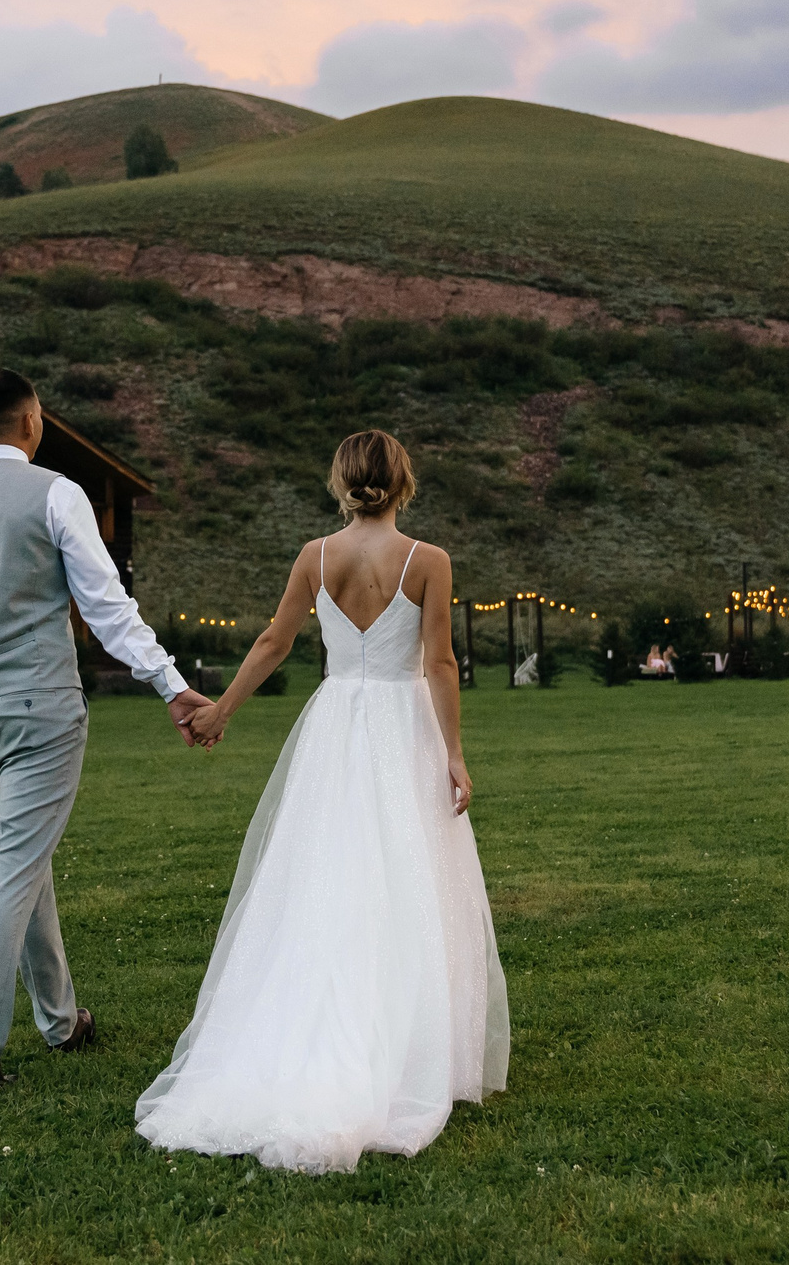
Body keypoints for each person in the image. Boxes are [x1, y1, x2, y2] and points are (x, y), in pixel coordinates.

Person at [136, 428, 507, 1174]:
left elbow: (274, 642)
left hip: (335, 727)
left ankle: (313, 1029)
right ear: (403, 483)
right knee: (407, 884)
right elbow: (438, 663)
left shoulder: (316, 556)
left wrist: (222, 712)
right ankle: (400, 1049)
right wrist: (456, 753)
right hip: (402, 730)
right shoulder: (428, 561)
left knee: (321, 880)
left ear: (342, 484)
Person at [0, 367, 210, 1095]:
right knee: (11, 870)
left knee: (20, 859)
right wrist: (171, 684)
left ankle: (62, 1020)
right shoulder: (58, 494)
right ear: (32, 421)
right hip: (41, 711)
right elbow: (107, 607)